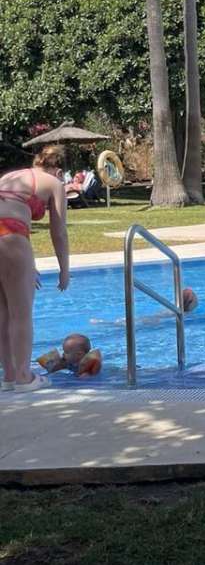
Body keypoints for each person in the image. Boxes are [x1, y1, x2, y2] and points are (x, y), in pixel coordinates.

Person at [0, 147, 70, 393]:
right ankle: (23, 377)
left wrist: (28, 264)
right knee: (21, 314)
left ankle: (8, 375)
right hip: (12, 237)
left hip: (6, 237)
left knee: (3, 313)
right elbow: (58, 232)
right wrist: (64, 269)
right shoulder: (54, 182)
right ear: (59, 170)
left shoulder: (13, 176)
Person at [37, 332, 102, 379]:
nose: (63, 354)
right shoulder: (68, 361)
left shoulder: (88, 366)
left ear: (79, 354)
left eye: (66, 352)